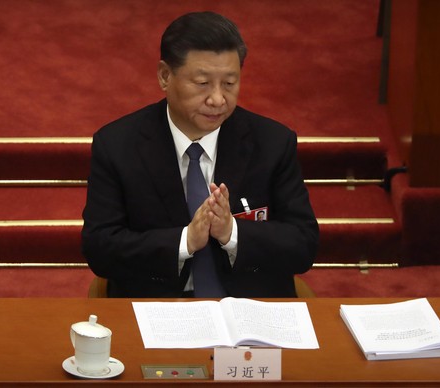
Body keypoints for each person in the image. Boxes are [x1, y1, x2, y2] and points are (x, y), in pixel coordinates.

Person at [81, 11, 318, 298]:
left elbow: (304, 245)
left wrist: (232, 233)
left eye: (229, 84)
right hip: (156, 308)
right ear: (165, 76)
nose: (218, 99)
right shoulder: (117, 145)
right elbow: (100, 248)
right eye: (203, 83)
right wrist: (185, 241)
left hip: (249, 309)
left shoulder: (272, 142)